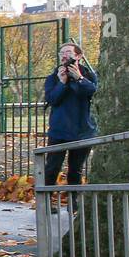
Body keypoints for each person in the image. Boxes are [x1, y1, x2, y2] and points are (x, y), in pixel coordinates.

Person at [43, 42, 98, 198]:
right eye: (61, 53)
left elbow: (92, 92)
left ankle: (74, 203)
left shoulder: (89, 75)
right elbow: (52, 99)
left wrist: (79, 78)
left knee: (76, 170)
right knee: (52, 168)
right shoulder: (53, 78)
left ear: (78, 56)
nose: (64, 56)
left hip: (83, 131)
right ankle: (45, 203)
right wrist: (62, 82)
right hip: (59, 131)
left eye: (68, 52)